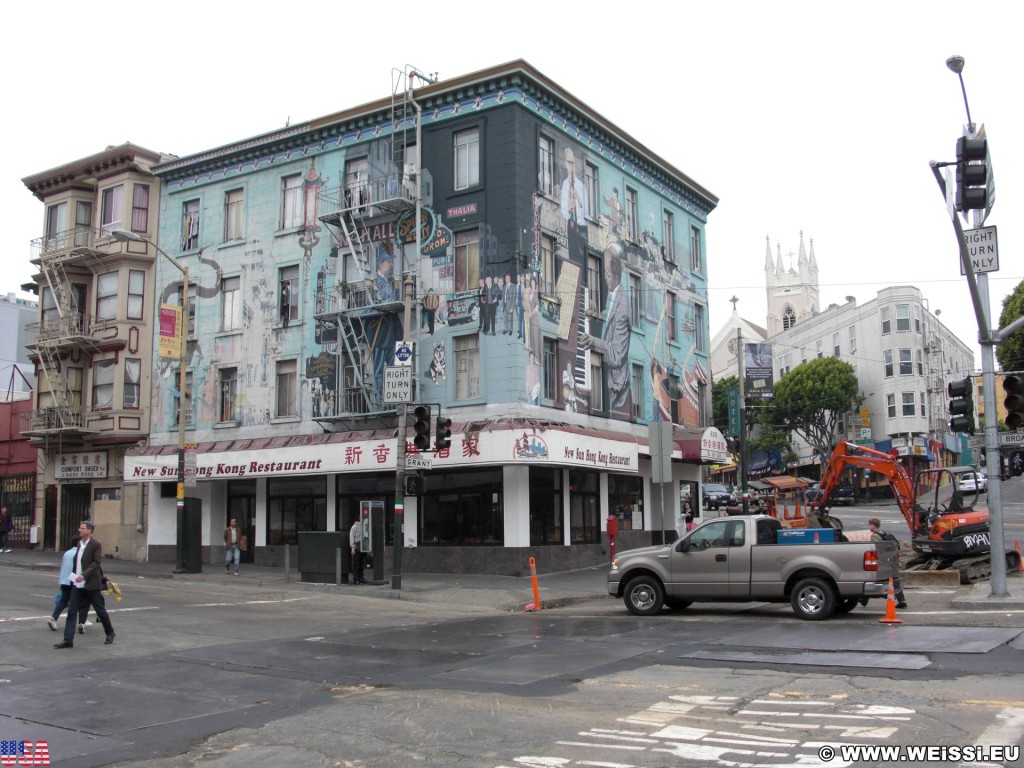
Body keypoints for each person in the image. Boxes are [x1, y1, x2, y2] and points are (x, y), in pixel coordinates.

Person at [580, 242, 632, 418]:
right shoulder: (614, 293)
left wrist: (594, 342)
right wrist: (597, 314)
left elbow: (617, 355)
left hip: (615, 393)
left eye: (607, 274)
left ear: (616, 272)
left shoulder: (624, 309)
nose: (605, 278)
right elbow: (610, 317)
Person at [55, 520, 115, 648]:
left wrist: (84, 575)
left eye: (82, 528)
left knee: (100, 610)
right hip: (77, 584)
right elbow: (77, 563)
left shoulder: (95, 544)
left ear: (89, 531)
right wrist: (75, 576)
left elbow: (96, 563)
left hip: (90, 584)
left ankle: (110, 633)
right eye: (80, 528)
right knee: (72, 612)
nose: (79, 530)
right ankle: (68, 640)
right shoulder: (79, 544)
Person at [48, 536, 90, 632]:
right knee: (80, 600)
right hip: (74, 580)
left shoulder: (67, 553)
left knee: (64, 601)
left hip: (64, 580)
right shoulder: (79, 553)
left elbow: (63, 567)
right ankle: (82, 621)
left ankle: (53, 618)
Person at [868, 517, 907, 609]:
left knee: (874, 579)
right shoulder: (883, 533)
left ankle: (864, 599)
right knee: (893, 580)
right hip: (891, 561)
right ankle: (902, 600)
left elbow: (876, 550)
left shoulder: (874, 536)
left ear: (873, 525)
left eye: (870, 525)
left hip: (883, 562)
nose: (869, 527)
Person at [349, 518, 366, 585]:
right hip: (357, 546)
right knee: (356, 563)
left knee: (361, 563)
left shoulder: (364, 526)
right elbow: (352, 537)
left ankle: (360, 578)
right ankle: (356, 578)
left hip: (362, 546)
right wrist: (352, 547)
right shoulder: (354, 527)